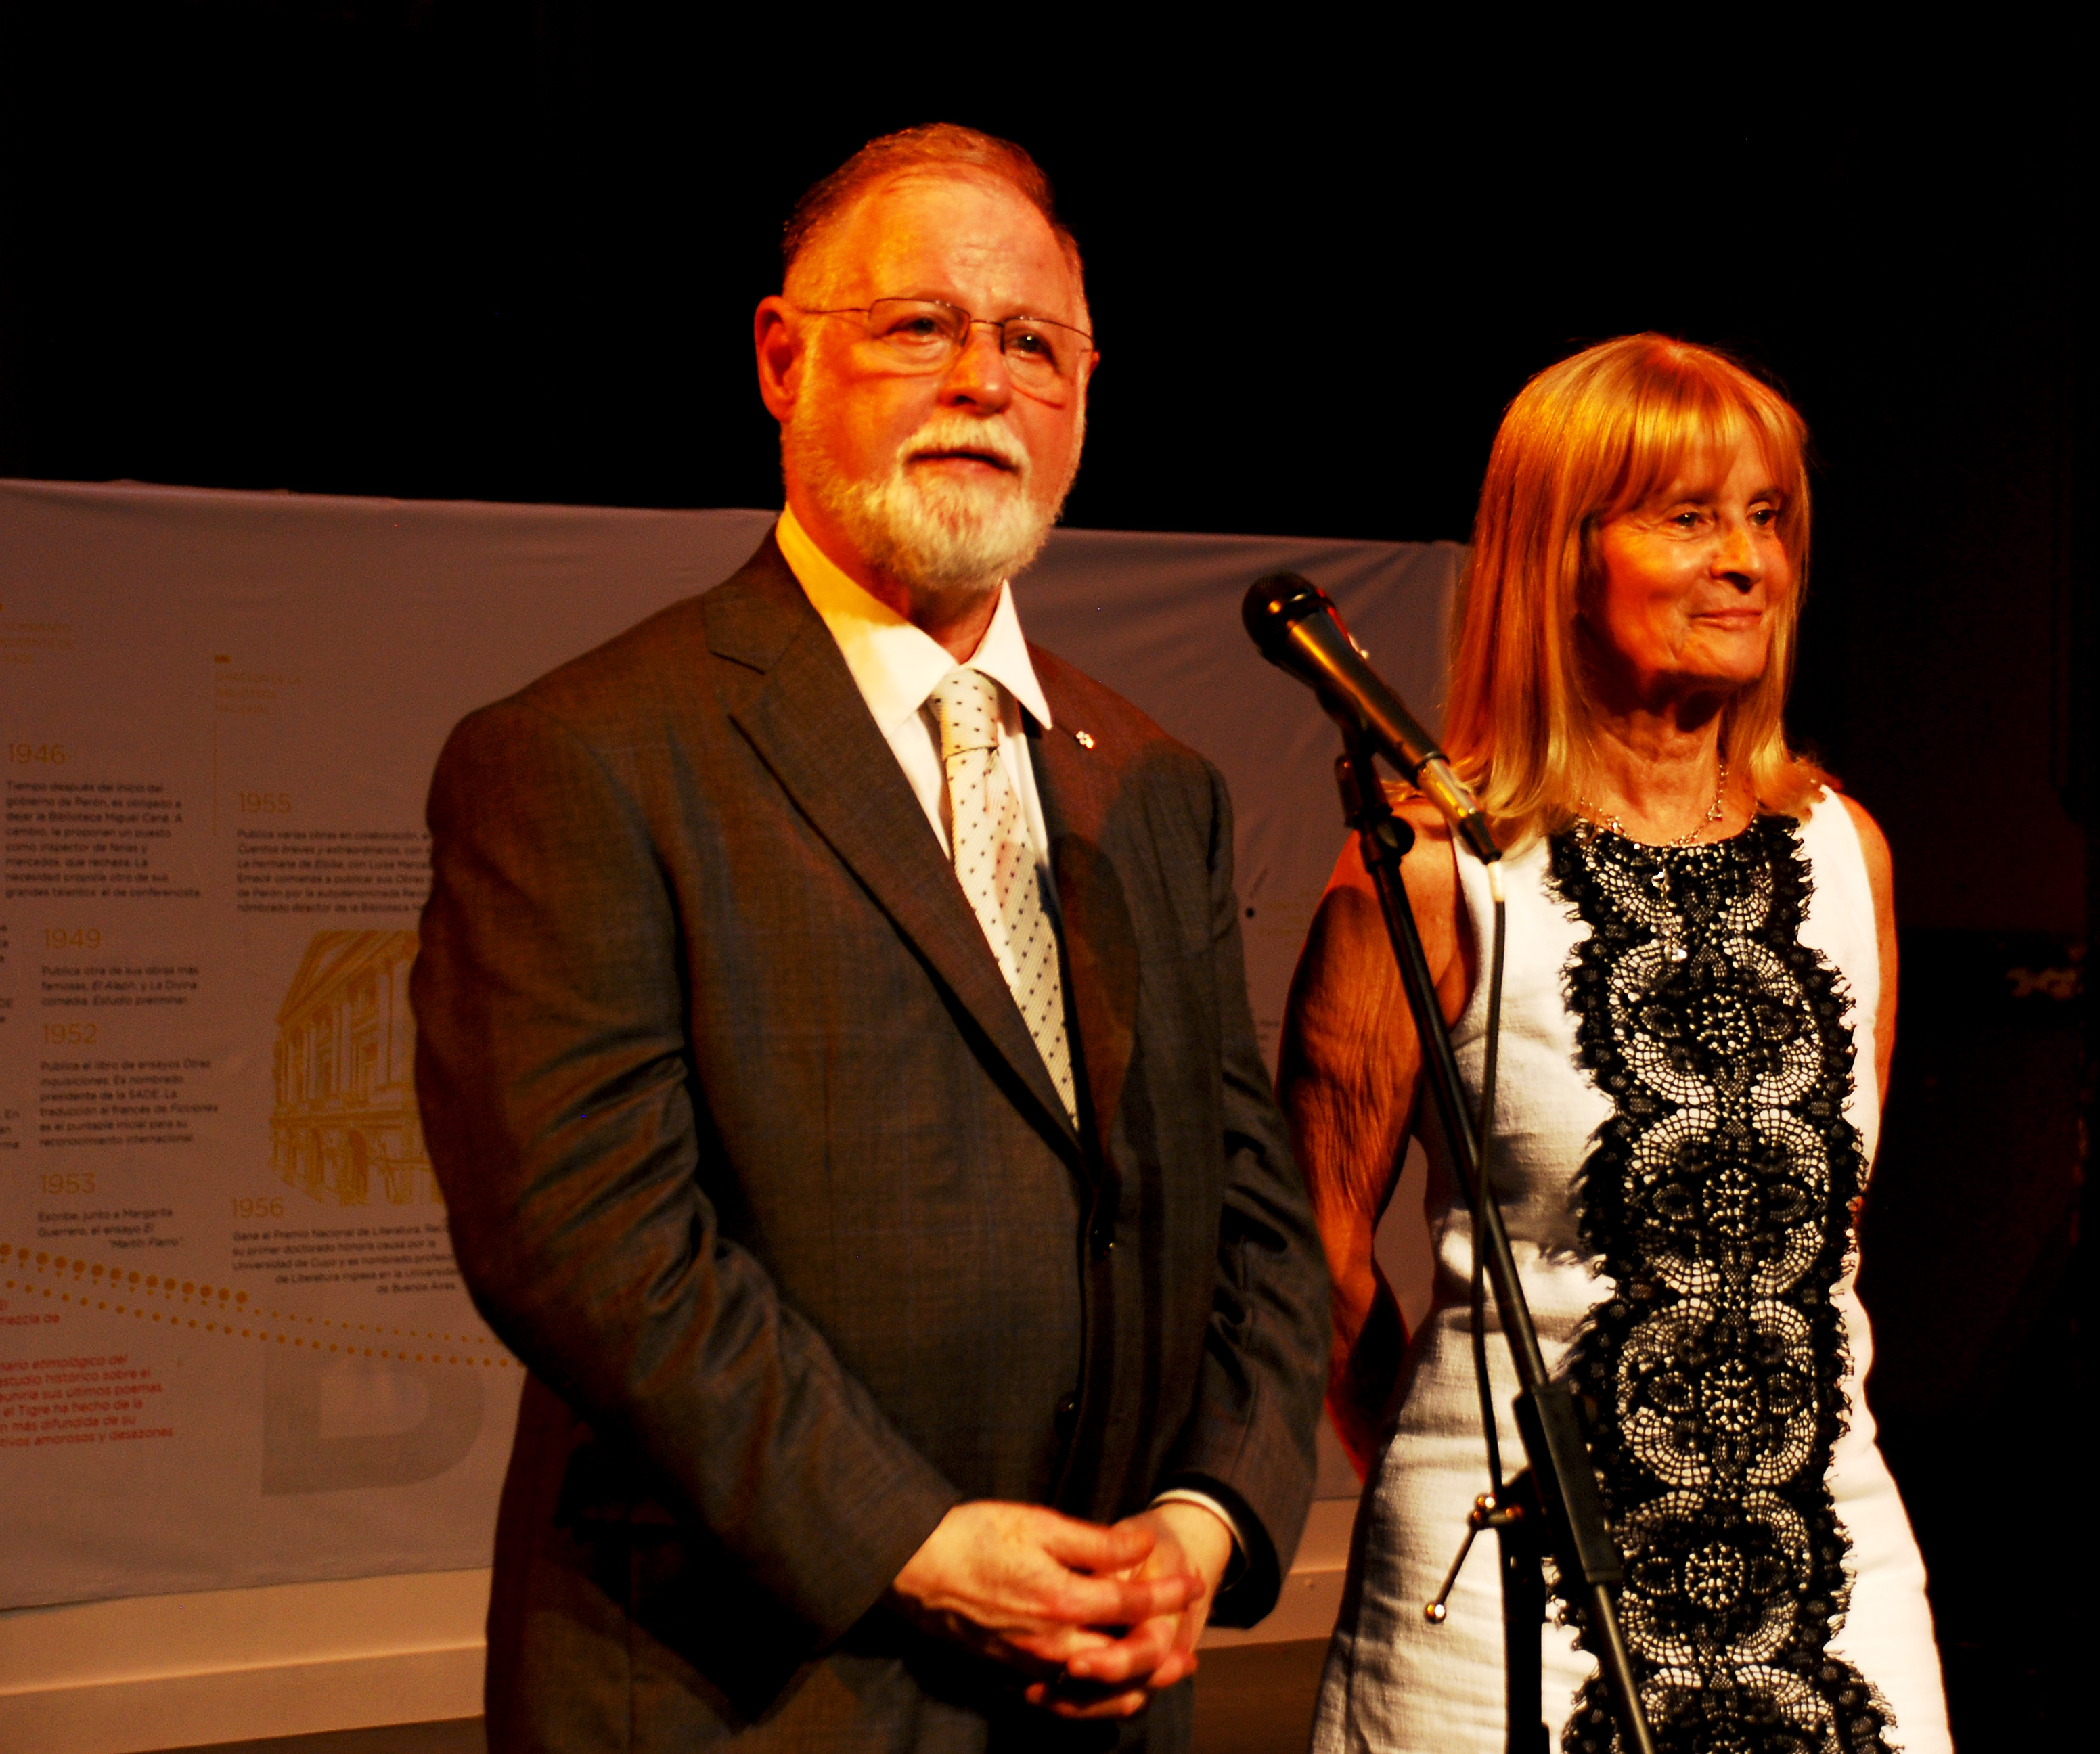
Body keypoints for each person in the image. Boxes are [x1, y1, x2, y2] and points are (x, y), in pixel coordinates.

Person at [412, 124, 1328, 1752]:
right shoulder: (585, 756)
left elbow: (1251, 1219)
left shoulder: (1157, 789)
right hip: (749, 1688)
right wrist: (914, 1542)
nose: (984, 380)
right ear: (782, 357)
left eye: (1034, 345)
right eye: (923, 326)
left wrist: (1209, 1518)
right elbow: (590, 1244)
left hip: (1103, 1687)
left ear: (1085, 396)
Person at [1289, 335, 1952, 1753]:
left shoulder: (1845, 853)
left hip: (1831, 1572)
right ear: (1557, 555)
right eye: (1689, 517)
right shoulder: (1430, 869)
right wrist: (1437, 1455)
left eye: (1766, 519)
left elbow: (1826, 1231)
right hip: (1503, 1607)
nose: (1748, 565)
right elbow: (1317, 1255)